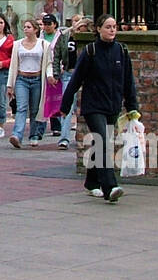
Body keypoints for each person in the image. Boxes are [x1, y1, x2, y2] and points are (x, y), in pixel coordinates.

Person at [57, 13, 138, 204]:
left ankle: (91, 182)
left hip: (112, 105)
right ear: (99, 29)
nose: (112, 30)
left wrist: (132, 107)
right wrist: (65, 105)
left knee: (101, 143)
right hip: (93, 106)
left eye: (114, 27)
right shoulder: (90, 51)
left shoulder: (122, 51)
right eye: (108, 27)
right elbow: (76, 79)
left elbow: (128, 82)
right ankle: (110, 186)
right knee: (103, 142)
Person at [6, 18, 51, 148]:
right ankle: (17, 135)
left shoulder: (44, 44)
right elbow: (13, 65)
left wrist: (49, 77)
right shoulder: (17, 44)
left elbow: (48, 63)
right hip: (21, 79)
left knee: (35, 109)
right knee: (21, 108)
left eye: (29, 27)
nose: (26, 29)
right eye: (24, 27)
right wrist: (10, 85)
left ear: (36, 29)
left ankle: (34, 135)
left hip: (37, 79)